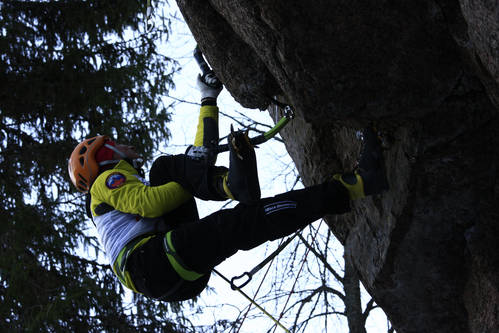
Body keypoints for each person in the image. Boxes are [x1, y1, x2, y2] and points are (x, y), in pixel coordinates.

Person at [68, 75, 388, 302]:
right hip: (152, 263)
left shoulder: (115, 205)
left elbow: (195, 165)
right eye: (113, 146)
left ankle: (230, 185)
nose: (123, 147)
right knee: (242, 222)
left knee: (167, 169)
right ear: (105, 157)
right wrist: (185, 183)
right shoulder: (104, 185)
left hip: (167, 274)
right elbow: (152, 204)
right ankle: (355, 185)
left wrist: (208, 99)